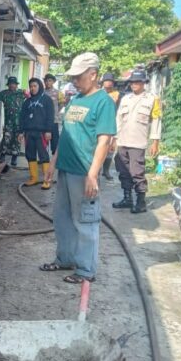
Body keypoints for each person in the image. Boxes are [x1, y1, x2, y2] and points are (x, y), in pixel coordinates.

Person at [40, 53, 116, 284]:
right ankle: (65, 259)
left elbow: (104, 140)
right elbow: (68, 136)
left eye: (78, 76)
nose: (74, 80)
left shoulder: (103, 102)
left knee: (85, 221)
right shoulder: (75, 100)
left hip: (84, 172)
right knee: (62, 218)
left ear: (93, 74)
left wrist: (93, 175)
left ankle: (85, 270)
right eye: (72, 76)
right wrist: (53, 162)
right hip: (65, 168)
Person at [112, 69, 162, 213]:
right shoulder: (125, 99)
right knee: (123, 171)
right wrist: (114, 139)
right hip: (122, 141)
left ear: (144, 83)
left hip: (138, 143)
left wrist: (155, 142)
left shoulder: (152, 99)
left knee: (137, 172)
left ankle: (141, 201)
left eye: (137, 82)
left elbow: (157, 121)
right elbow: (118, 120)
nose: (134, 84)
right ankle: (127, 198)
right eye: (132, 82)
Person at [19, 77, 55, 189]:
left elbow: (50, 116)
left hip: (42, 133)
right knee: (30, 155)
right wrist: (20, 132)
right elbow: (22, 117)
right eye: (31, 86)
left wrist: (49, 130)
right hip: (29, 133)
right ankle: (33, 178)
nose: (32, 88)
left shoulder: (47, 100)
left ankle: (47, 180)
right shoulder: (27, 102)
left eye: (35, 86)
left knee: (44, 156)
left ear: (39, 86)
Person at [0, 76, 27, 167]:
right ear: (8, 85)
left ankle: (14, 157)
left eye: (13, 84)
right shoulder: (4, 94)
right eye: (10, 84)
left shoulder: (21, 93)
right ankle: (2, 155)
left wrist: (27, 93)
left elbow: (30, 96)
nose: (12, 85)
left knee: (17, 139)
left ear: (16, 85)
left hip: (19, 122)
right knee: (6, 138)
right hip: (8, 121)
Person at [100, 72, 120, 181]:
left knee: (110, 149)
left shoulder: (117, 94)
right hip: (100, 123)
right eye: (106, 81)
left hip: (112, 122)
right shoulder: (98, 93)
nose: (108, 83)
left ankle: (106, 170)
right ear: (103, 82)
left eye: (110, 81)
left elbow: (118, 110)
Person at [44, 73, 66, 155]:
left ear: (53, 82)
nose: (48, 82)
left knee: (54, 140)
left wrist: (56, 111)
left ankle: (54, 158)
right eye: (46, 81)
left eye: (50, 81)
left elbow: (62, 103)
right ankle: (44, 158)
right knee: (43, 140)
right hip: (43, 120)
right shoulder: (42, 92)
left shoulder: (58, 93)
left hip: (54, 120)